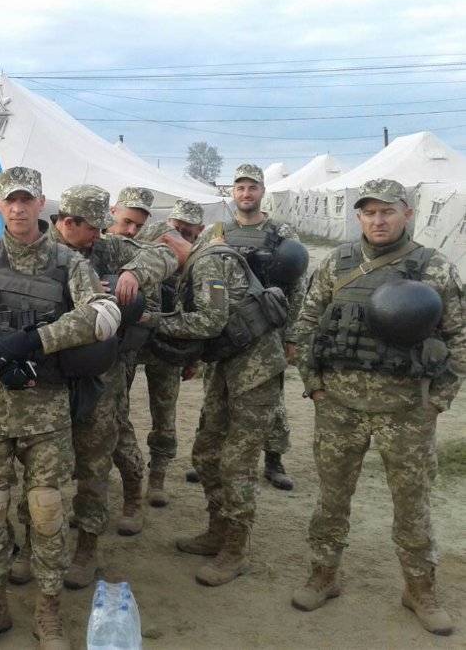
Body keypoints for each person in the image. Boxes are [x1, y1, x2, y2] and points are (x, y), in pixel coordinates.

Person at [0, 167, 122, 650]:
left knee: (47, 512)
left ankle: (48, 612)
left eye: (26, 200)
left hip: (47, 409)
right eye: (9, 200)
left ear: (42, 204)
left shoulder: (68, 262)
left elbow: (104, 314)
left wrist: (35, 341)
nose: (18, 208)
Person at [292, 178, 466, 636]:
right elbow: (306, 324)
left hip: (406, 411)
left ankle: (420, 589)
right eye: (369, 212)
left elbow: (460, 338)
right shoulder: (337, 262)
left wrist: (438, 401)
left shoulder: (434, 268)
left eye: (387, 211)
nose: (378, 220)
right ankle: (324, 574)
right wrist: (315, 387)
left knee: (412, 505)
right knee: (332, 499)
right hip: (339, 408)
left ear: (407, 213)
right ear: (359, 217)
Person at [16, 185, 171, 593]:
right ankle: (30, 541)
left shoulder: (109, 249)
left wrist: (133, 274)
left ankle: (87, 546)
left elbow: (165, 254)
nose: (100, 235)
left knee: (94, 459)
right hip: (48, 374)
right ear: (68, 222)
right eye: (92, 228)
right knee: (37, 462)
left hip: (100, 372)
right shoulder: (37, 251)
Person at [148, 210, 287, 587]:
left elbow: (210, 322)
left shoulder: (208, 261)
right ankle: (218, 530)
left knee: (237, 461)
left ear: (167, 244)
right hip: (227, 367)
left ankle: (236, 549)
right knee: (207, 451)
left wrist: (153, 320)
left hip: (256, 370)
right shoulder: (200, 261)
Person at [201, 164, 307, 491]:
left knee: (270, 399)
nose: (246, 194)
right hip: (224, 329)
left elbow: (297, 286)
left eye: (252, 188)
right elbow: (198, 275)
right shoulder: (215, 232)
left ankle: (274, 460)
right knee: (215, 395)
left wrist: (291, 335)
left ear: (262, 191)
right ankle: (211, 458)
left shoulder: (281, 233)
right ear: (232, 193)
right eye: (240, 188)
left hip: (267, 329)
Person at [134, 199, 206, 504]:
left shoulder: (201, 259)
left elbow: (200, 312)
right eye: (176, 229)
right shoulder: (148, 238)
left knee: (164, 414)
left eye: (188, 233)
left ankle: (158, 476)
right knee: (114, 411)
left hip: (169, 345)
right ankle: (128, 475)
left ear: (199, 231)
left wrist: (193, 357)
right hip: (134, 341)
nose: (179, 237)